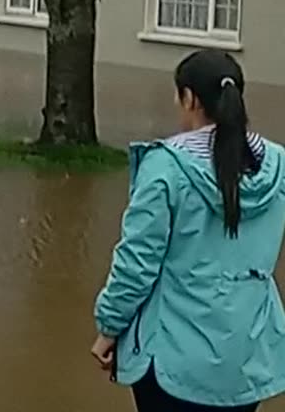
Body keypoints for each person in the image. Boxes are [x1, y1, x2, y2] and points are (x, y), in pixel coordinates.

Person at [93, 49, 285, 412]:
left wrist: (109, 327)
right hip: (248, 358)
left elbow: (136, 264)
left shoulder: (165, 168)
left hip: (173, 362)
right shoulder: (277, 166)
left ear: (190, 98)